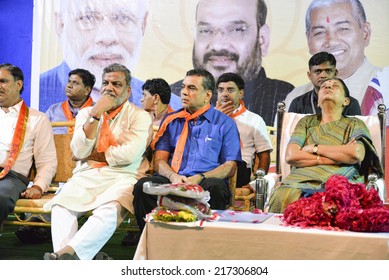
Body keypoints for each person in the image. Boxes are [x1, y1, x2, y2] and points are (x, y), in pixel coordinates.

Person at [43, 63, 153, 260]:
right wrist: (94, 116)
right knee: (61, 205)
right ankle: (70, 258)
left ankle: (66, 256)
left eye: (116, 84)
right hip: (89, 174)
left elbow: (129, 155)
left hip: (125, 175)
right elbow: (78, 150)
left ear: (128, 91)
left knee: (109, 209)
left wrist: (91, 155)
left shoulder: (140, 116)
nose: (109, 88)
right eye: (106, 83)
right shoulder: (87, 113)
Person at [126, 69, 242, 246]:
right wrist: (173, 176)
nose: (184, 92)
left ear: (207, 95)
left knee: (216, 188)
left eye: (192, 88)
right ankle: (156, 243)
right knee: (143, 187)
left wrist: (201, 177)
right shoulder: (173, 120)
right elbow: (159, 160)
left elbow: (230, 166)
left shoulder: (225, 123)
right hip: (174, 177)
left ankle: (203, 245)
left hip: (205, 179)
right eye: (183, 87)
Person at [38, 0, 181, 113]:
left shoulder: (173, 108)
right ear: (61, 24)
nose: (107, 37)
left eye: (123, 18)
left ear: (143, 25)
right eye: (88, 18)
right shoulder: (33, 97)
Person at [169, 0, 294, 126]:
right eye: (205, 30)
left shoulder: (287, 97)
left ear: (263, 39)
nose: (217, 45)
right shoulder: (172, 96)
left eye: (236, 30)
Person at [268, 77, 383, 214]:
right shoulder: (306, 122)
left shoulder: (355, 124)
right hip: (297, 184)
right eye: (324, 86)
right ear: (317, 102)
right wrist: (337, 157)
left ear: (346, 101)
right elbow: (291, 155)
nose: (328, 87)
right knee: (284, 194)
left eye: (335, 86)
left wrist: (315, 148)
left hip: (339, 184)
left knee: (337, 198)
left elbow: (356, 153)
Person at [285, 0, 383, 111]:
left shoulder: (385, 87)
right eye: (319, 32)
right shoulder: (296, 98)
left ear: (365, 33)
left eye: (342, 29)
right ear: (308, 40)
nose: (331, 42)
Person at [0, 63, 57, 224]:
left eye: (3, 81)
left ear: (18, 84)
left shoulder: (37, 119)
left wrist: (38, 186)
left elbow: (47, 160)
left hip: (11, 178)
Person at [216, 72, 272, 187]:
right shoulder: (209, 117)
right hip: (211, 163)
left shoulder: (254, 120)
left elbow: (264, 154)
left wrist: (257, 183)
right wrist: (216, 119)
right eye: (221, 90)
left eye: (230, 90)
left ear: (241, 93)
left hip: (239, 168)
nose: (224, 94)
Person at [289, 51, 361, 115]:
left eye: (328, 71)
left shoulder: (351, 104)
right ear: (309, 75)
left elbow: (357, 129)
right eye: (317, 71)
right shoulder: (297, 104)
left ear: (335, 73)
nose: (323, 76)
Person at [46, 68, 96, 134]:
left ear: (87, 90)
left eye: (75, 83)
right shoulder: (53, 110)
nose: (69, 86)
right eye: (69, 81)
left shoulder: (97, 111)